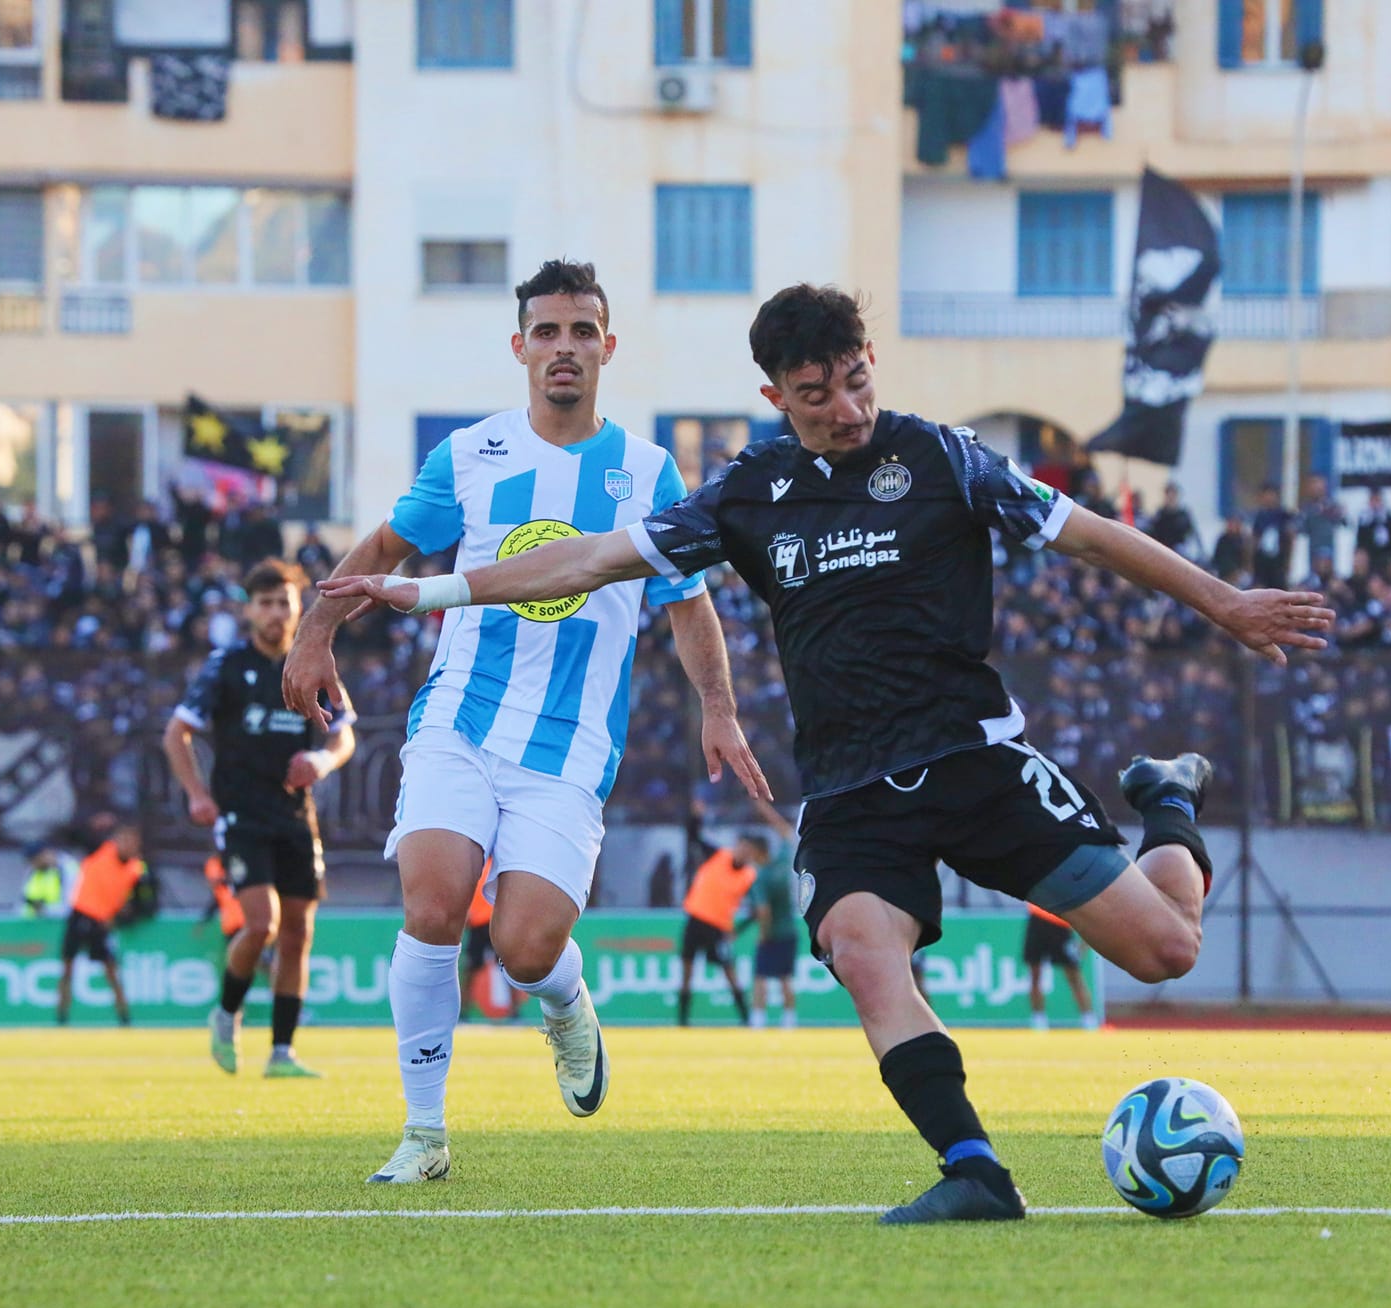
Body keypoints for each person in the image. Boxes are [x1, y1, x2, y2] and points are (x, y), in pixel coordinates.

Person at [318, 283, 1331, 1222]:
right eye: (816, 392)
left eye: (856, 380)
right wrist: (435, 589)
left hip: (975, 757)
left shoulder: (943, 457)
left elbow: (1089, 535)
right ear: (775, 394)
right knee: (858, 950)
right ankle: (972, 1168)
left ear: (869, 362)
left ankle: (1166, 805)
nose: (844, 407)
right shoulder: (748, 491)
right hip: (850, 787)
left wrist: (1225, 600)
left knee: (1164, 950)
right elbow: (592, 556)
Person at [281, 259, 768, 1184]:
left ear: (607, 348)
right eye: (546, 332)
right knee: (431, 903)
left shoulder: (649, 472)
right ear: (520, 348)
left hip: (570, 743)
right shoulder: (470, 454)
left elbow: (690, 601)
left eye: (582, 331)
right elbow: (387, 547)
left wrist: (719, 707)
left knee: (525, 945)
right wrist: (315, 632)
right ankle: (424, 1135)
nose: (564, 349)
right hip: (459, 717)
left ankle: (566, 1003)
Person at [165, 558, 356, 1080]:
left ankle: (282, 1053)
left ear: (299, 609)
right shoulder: (226, 667)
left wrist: (321, 760)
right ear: (249, 610)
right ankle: (227, 1014)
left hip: (296, 816)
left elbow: (343, 734)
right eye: (265, 603)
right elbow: (175, 734)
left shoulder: (312, 662)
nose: (275, 613)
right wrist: (197, 795)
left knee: (298, 932)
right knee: (262, 923)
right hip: (242, 815)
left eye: (284, 603)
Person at [55, 823, 150, 1027]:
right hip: (80, 914)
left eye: (131, 841)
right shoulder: (101, 849)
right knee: (67, 969)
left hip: (102, 923)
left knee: (112, 972)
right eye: (123, 839)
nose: (127, 844)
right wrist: (93, 823)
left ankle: (124, 1019)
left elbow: (143, 904)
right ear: (115, 840)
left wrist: (120, 919)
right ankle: (61, 1018)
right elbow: (72, 833)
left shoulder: (137, 868)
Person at [678, 831, 769, 1027]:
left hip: (718, 928)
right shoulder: (718, 855)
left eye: (748, 850)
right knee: (687, 971)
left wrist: (737, 931)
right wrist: (695, 817)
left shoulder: (749, 877)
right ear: (736, 846)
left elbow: (756, 910)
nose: (743, 852)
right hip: (695, 920)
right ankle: (682, 1022)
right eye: (741, 847)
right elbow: (694, 838)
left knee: (730, 973)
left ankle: (746, 1020)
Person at [747, 798, 802, 1029]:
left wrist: (763, 934)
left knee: (760, 978)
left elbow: (763, 911)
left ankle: (758, 1020)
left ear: (757, 851)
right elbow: (785, 831)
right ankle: (789, 1020)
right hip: (789, 930)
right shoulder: (782, 861)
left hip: (771, 933)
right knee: (785, 978)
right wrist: (764, 809)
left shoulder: (760, 877)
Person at [1022, 903, 1098, 1031]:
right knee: (1035, 974)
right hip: (1037, 919)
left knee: (1073, 976)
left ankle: (1089, 1019)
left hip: (1060, 924)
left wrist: (1083, 945)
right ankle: (1038, 1020)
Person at [456, 858, 503, 1023]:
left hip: (497, 920)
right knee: (470, 968)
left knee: (509, 968)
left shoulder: (500, 863)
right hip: (478, 923)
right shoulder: (474, 865)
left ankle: (515, 1012)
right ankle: (463, 1011)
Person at [201, 852, 245, 943]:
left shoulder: (240, 887)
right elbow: (215, 904)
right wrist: (203, 922)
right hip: (230, 927)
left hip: (245, 925)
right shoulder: (220, 891)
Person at [20, 842, 70, 918]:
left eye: (35, 860)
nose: (33, 864)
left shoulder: (67, 869)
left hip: (58, 925)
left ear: (45, 854)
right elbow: (23, 903)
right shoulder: (32, 872)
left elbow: (70, 907)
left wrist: (44, 909)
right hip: (33, 926)